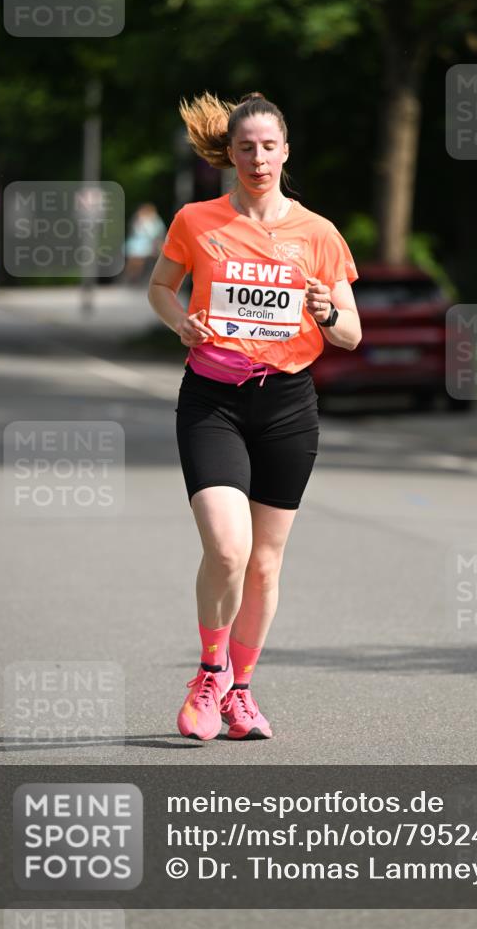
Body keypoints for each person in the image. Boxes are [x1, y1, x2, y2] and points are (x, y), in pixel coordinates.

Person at [147, 91, 361, 741]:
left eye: (269, 146)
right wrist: (182, 320)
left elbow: (350, 334)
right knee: (228, 547)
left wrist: (325, 310)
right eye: (246, 147)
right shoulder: (196, 220)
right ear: (230, 154)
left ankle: (241, 692)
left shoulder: (317, 233)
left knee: (265, 563)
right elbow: (159, 286)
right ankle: (208, 674)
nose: (258, 157)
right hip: (213, 399)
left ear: (285, 152)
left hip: (287, 404)